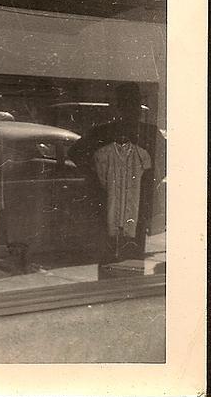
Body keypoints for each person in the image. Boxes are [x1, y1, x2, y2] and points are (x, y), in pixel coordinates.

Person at [68, 83, 166, 262]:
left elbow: (164, 161)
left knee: (128, 255)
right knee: (115, 254)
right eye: (129, 104)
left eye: (134, 104)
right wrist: (99, 175)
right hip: (111, 203)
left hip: (132, 204)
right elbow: (75, 153)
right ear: (120, 107)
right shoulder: (107, 131)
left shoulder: (146, 132)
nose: (132, 109)